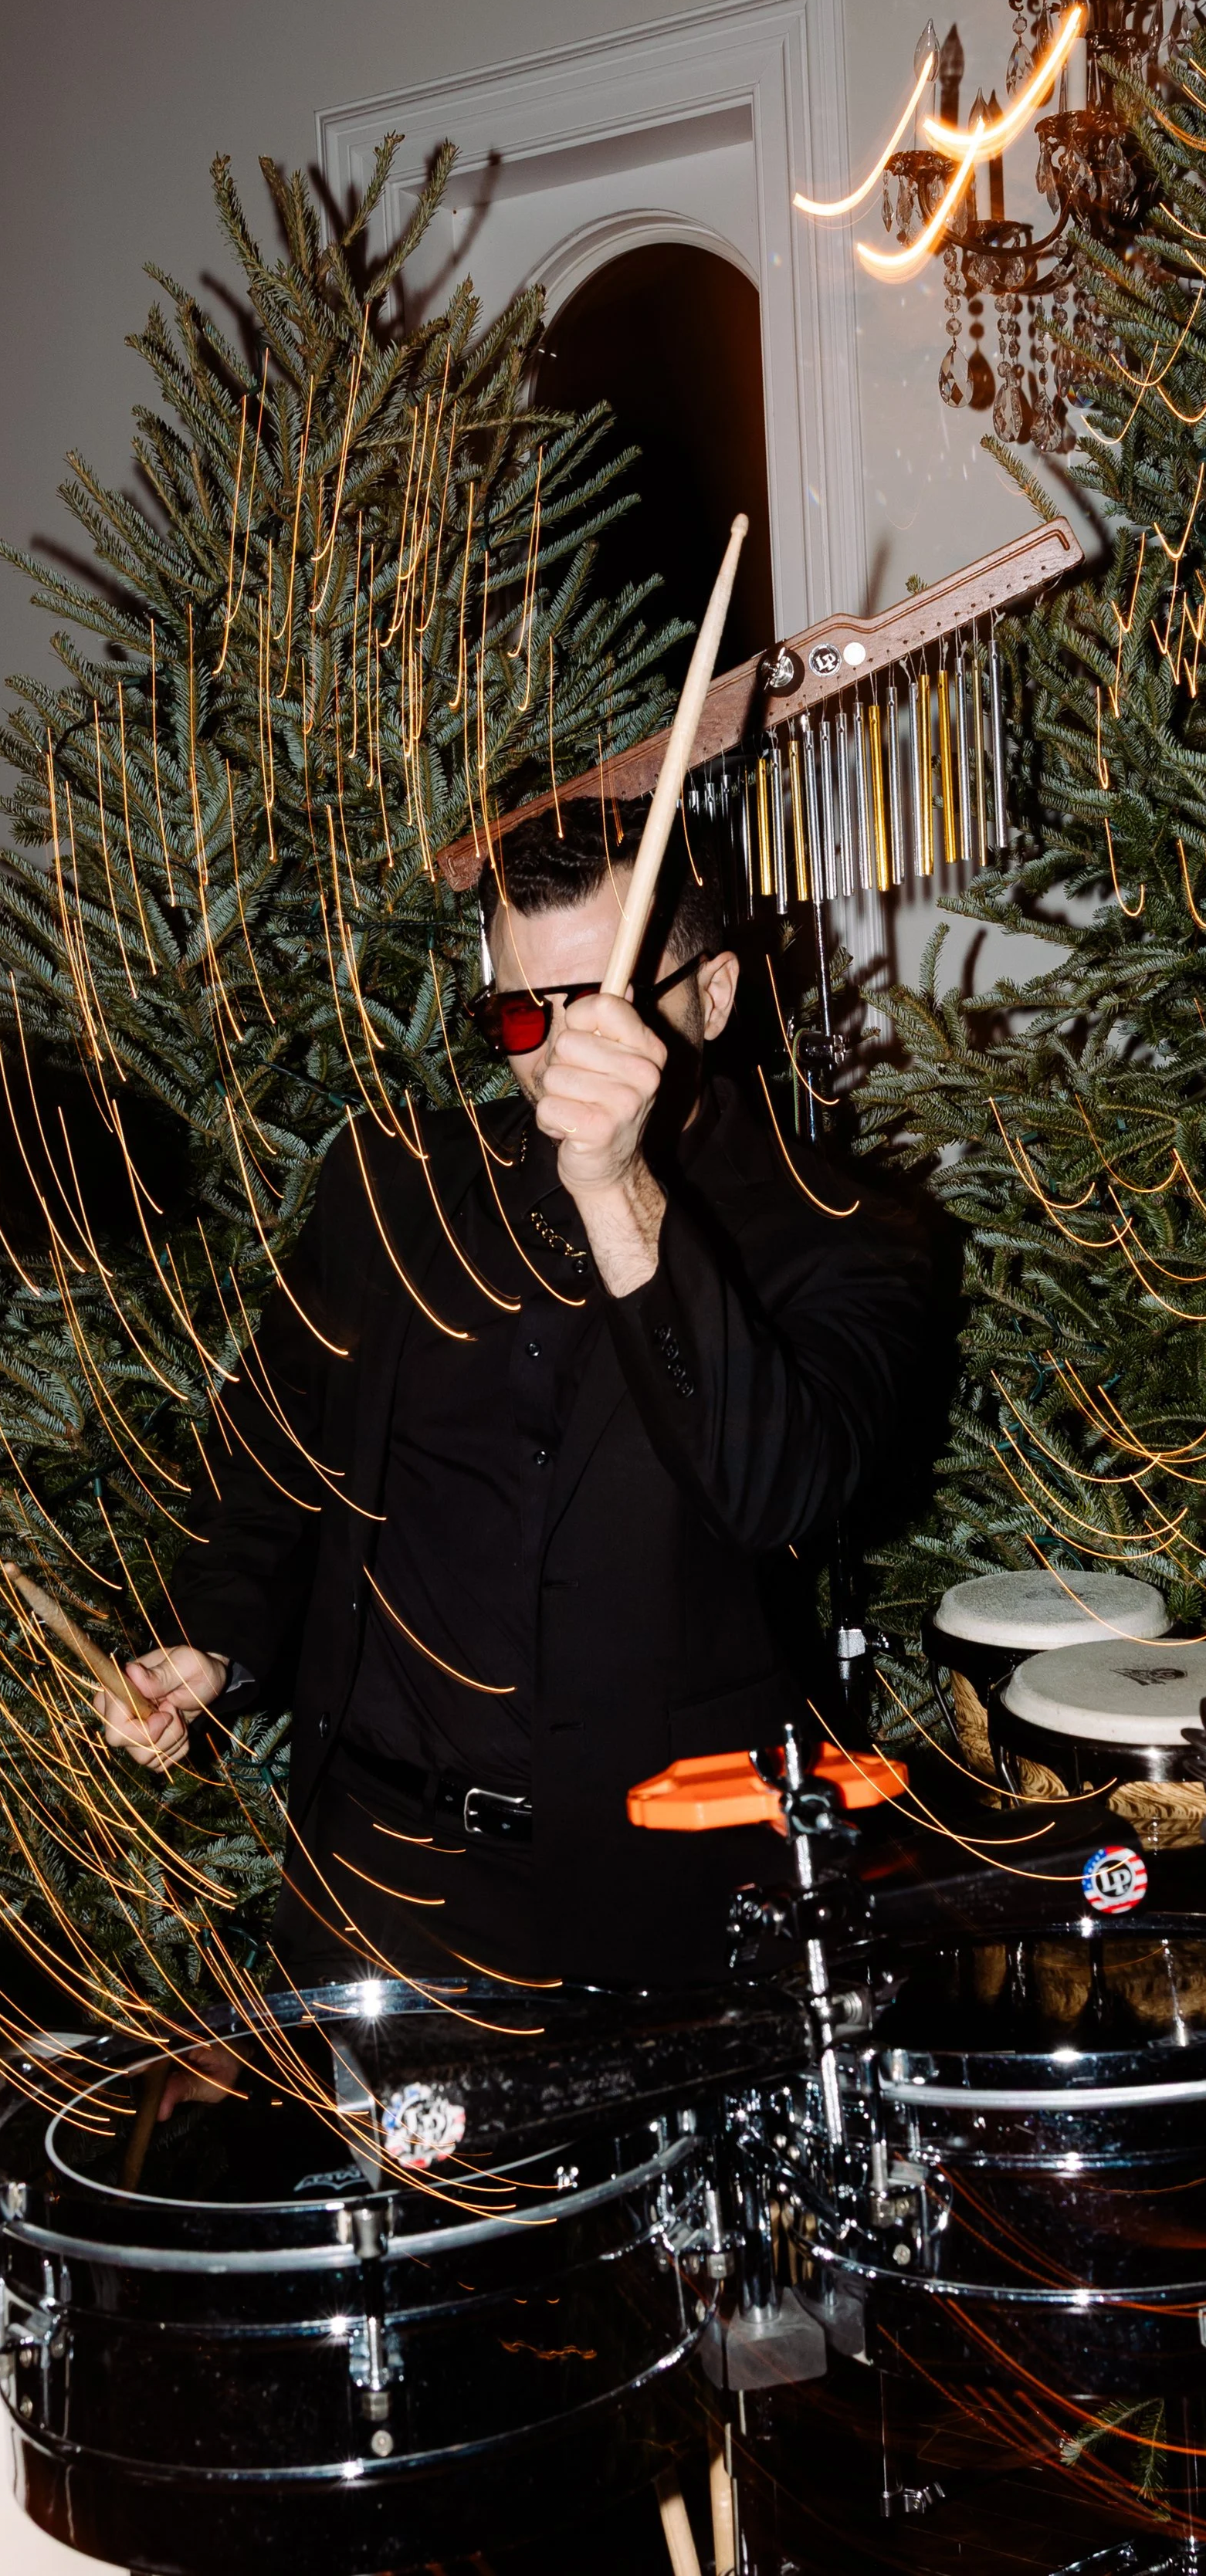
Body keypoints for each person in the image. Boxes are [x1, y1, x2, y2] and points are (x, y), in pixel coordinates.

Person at [96, 799, 930, 1992]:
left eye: (602, 1006)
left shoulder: (843, 1233)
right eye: (521, 1013)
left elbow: (775, 1489)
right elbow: (276, 1455)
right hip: (382, 1882)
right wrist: (211, 1642)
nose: (550, 1055)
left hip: (677, 1898)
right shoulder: (392, 1182)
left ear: (717, 991)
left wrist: (617, 1188)